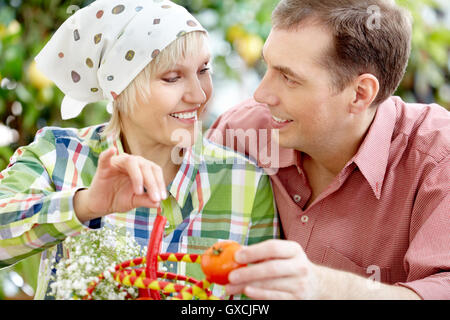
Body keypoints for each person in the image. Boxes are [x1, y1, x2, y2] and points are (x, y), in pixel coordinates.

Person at [0, 0, 278, 299]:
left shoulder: (245, 183)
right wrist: (86, 205)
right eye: (172, 77)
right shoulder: (58, 156)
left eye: (203, 70)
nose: (199, 94)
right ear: (120, 86)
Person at [207, 0, 449, 299]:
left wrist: (322, 286)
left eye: (289, 78)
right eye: (266, 66)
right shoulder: (241, 132)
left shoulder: (437, 157)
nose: (261, 94)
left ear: (360, 94)